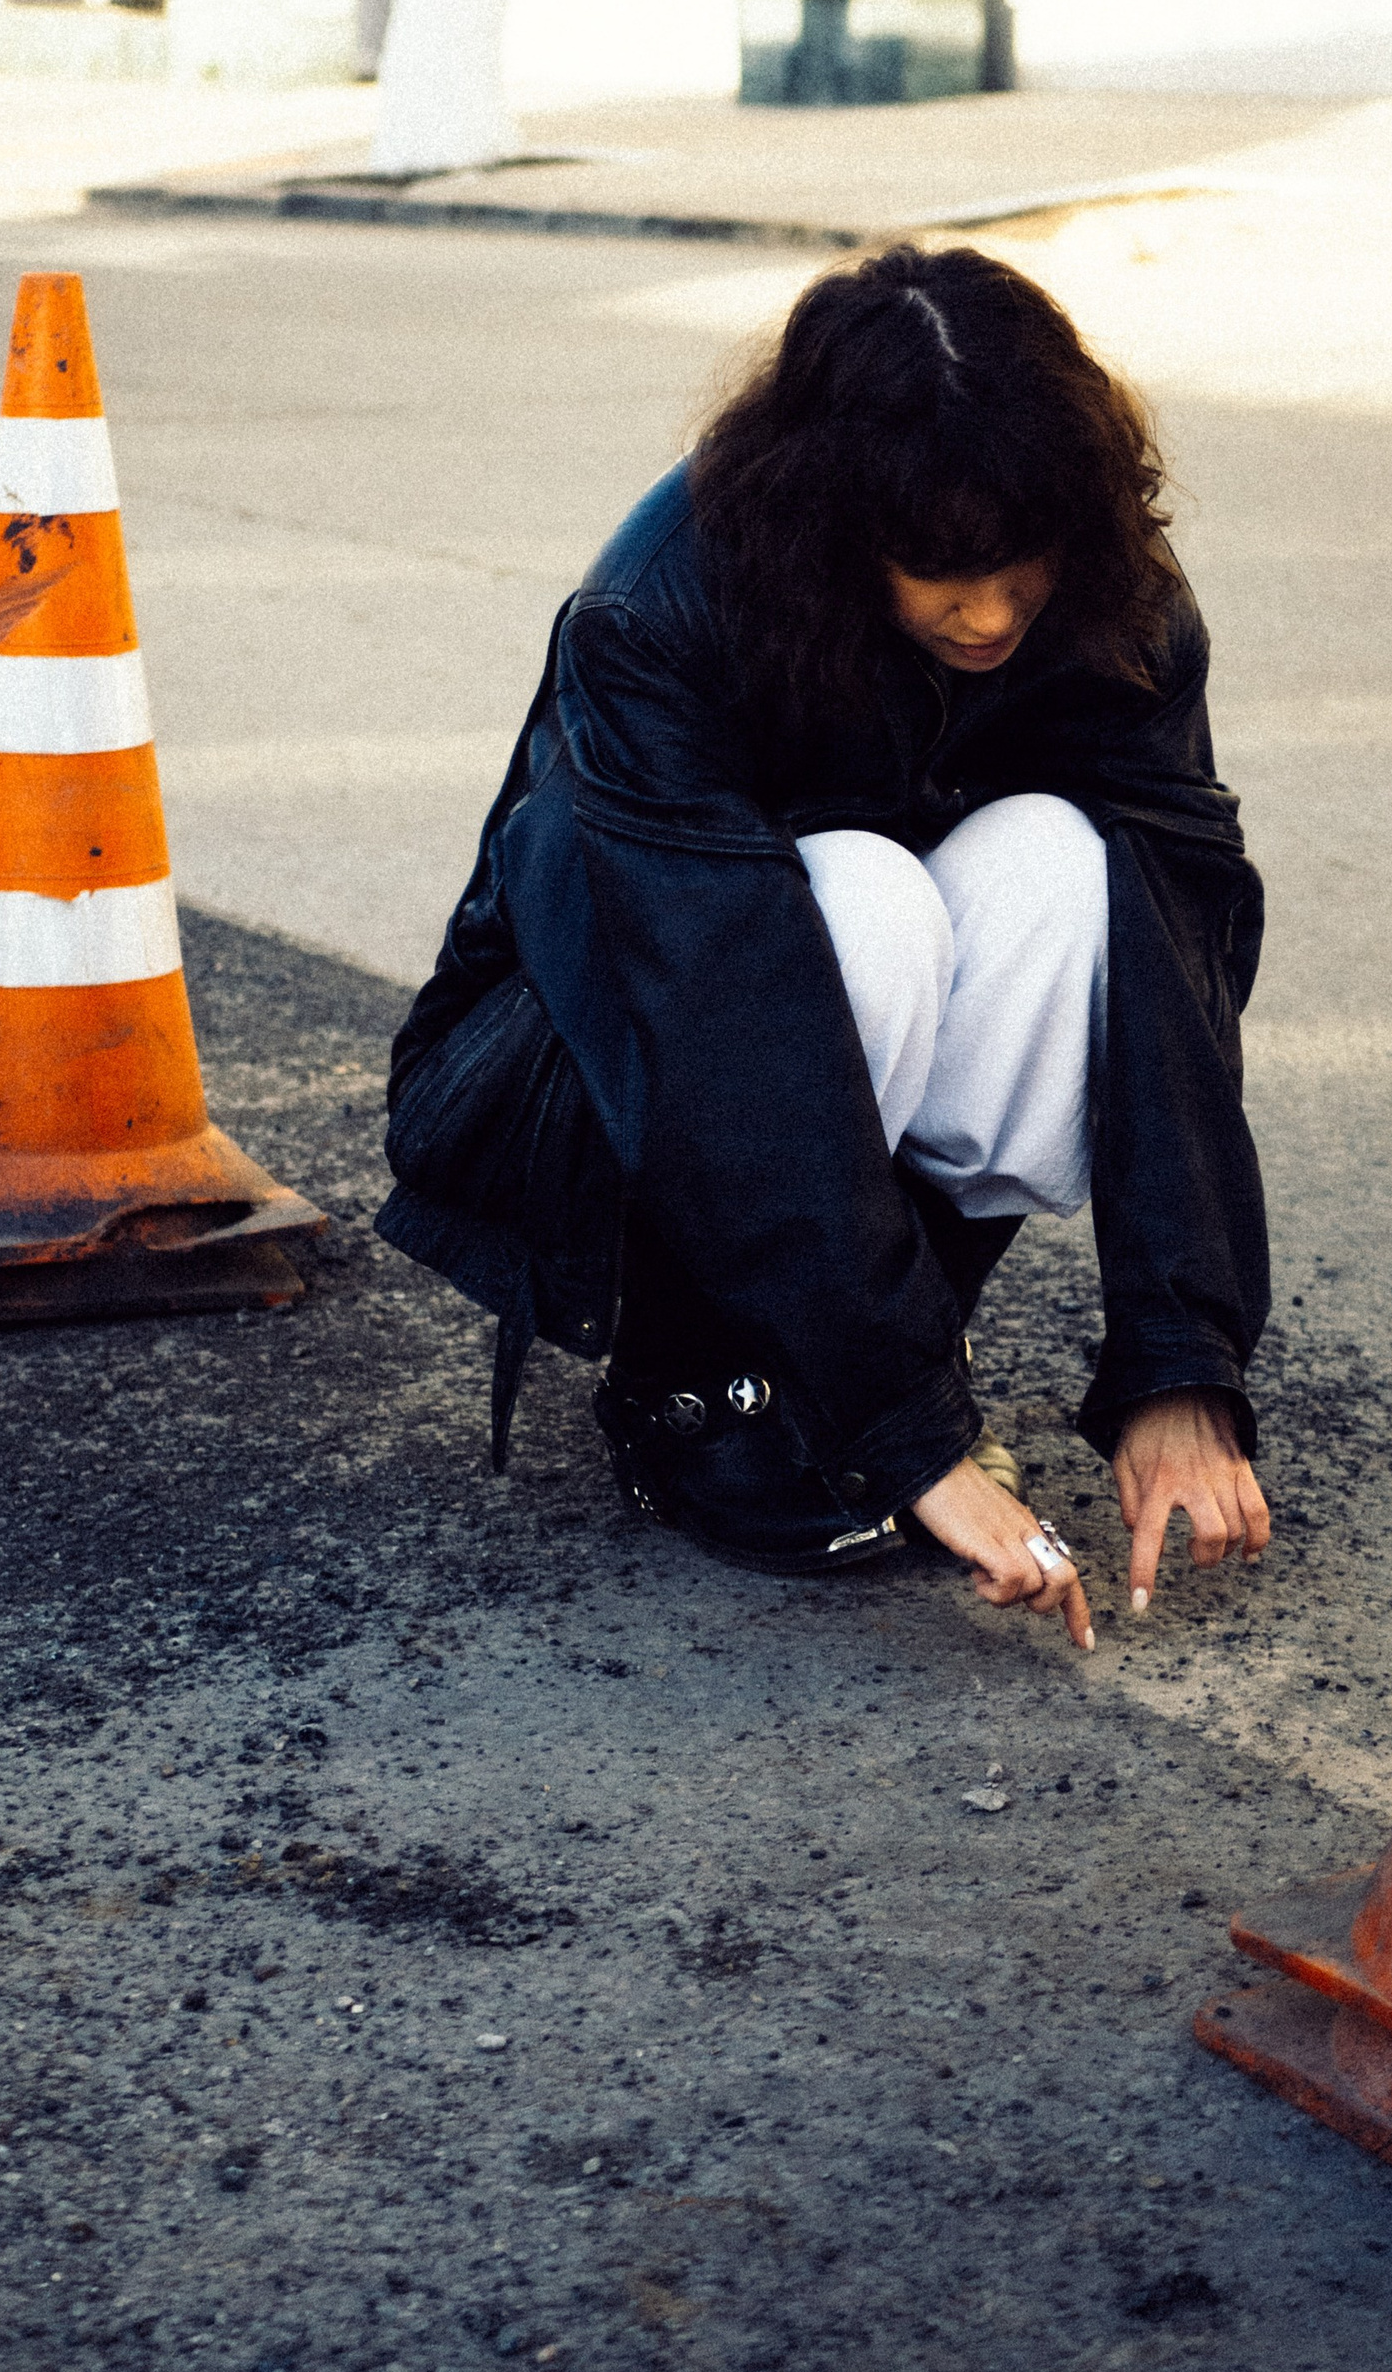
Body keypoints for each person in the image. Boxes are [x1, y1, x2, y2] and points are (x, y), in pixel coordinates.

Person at [376, 243, 1271, 1644]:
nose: (989, 614)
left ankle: (861, 1354)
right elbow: (721, 993)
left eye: (1018, 567)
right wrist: (920, 1441)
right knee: (855, 895)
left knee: (1076, 870)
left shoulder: (1119, 611)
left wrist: (1181, 1367)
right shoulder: (662, 609)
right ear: (841, 531)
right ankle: (702, 1387)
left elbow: (1176, 966)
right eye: (941, 573)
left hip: (790, 1057)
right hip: (578, 1074)